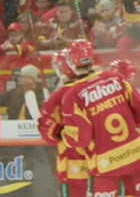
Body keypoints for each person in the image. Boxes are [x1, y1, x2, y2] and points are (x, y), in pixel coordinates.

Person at [61, 39, 140, 196]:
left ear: (71, 62)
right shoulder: (116, 78)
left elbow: (81, 138)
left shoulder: (72, 95)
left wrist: (64, 135)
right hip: (136, 156)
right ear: (91, 57)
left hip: (105, 164)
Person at [38, 49, 88, 196]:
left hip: (72, 169)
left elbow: (48, 135)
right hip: (99, 165)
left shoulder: (56, 97)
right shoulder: (92, 88)